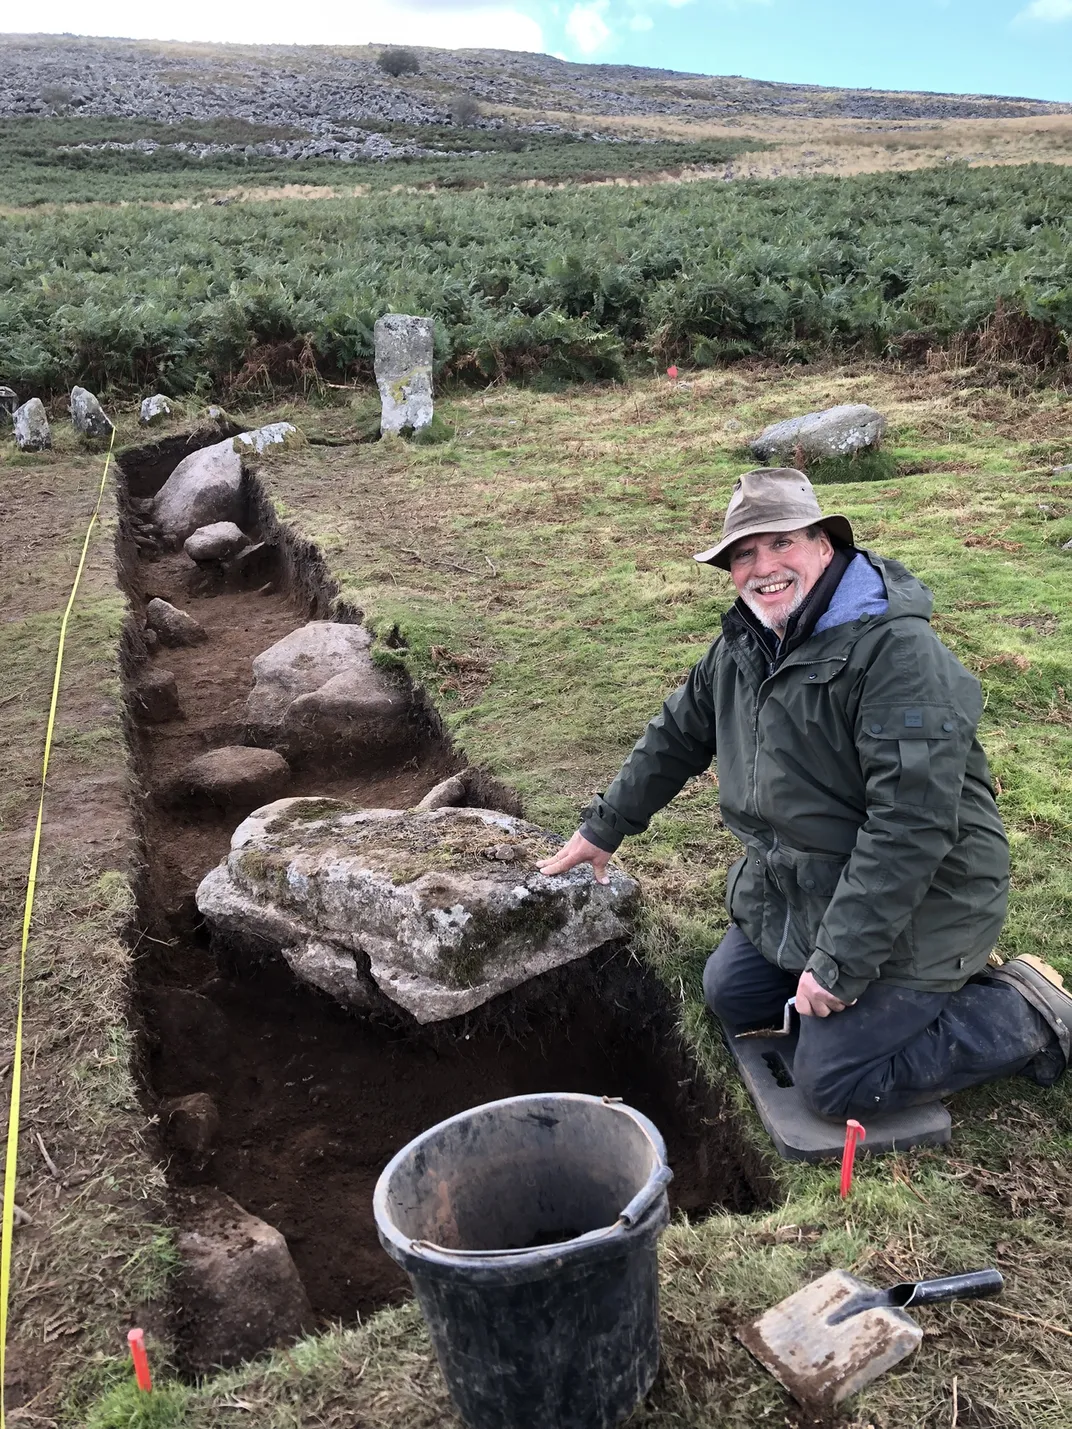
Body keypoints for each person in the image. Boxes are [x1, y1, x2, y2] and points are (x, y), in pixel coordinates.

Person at [539, 467, 1072, 1120]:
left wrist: (841, 962)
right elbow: (678, 731)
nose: (763, 566)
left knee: (834, 1083)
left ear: (823, 543)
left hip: (929, 897)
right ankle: (872, 988)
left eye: (780, 542)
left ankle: (1021, 1009)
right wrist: (603, 827)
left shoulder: (898, 655)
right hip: (811, 880)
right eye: (743, 553)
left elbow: (910, 830)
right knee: (731, 992)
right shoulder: (745, 644)